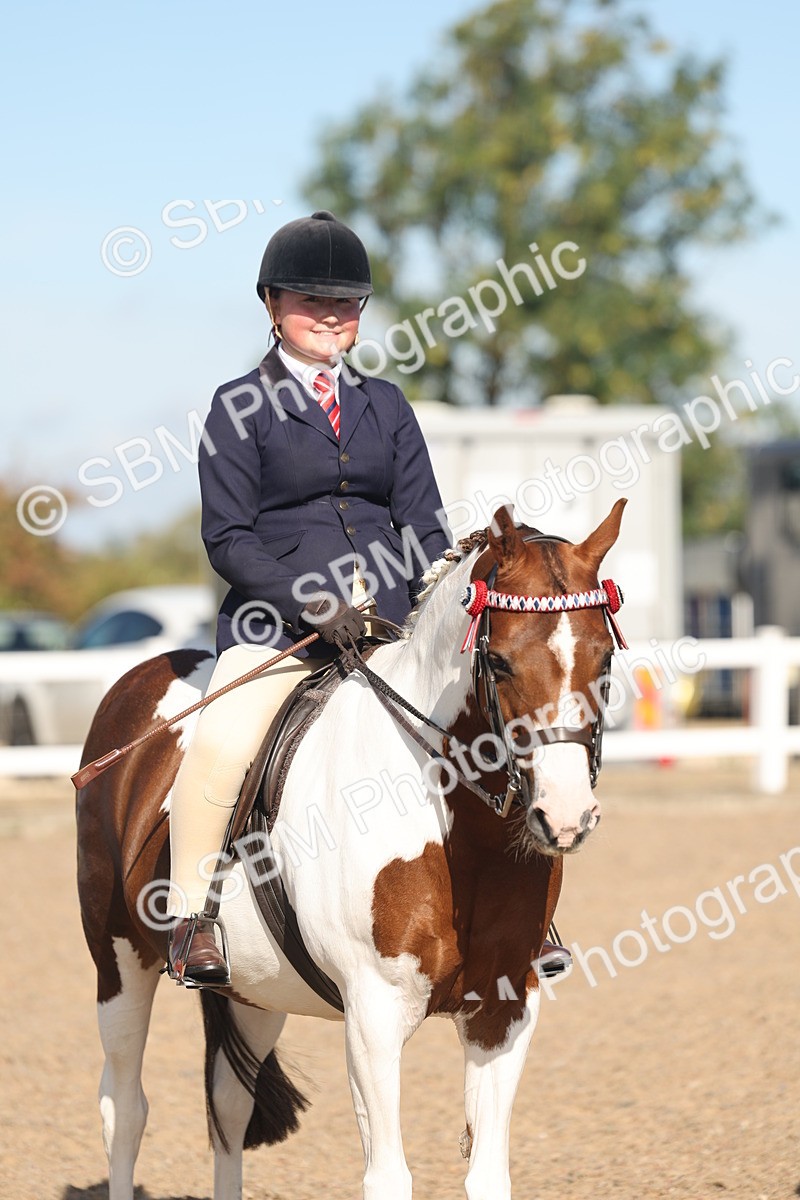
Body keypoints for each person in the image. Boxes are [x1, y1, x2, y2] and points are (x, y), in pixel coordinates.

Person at [167, 210, 452, 984]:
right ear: (271, 304)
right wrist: (309, 599)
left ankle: (515, 909)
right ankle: (193, 916)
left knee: (478, 723)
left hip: (387, 626)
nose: (330, 315)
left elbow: (424, 522)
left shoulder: (386, 405)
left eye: (346, 303)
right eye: (310, 300)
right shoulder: (237, 406)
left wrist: (430, 601)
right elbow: (228, 538)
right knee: (224, 735)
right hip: (279, 629)